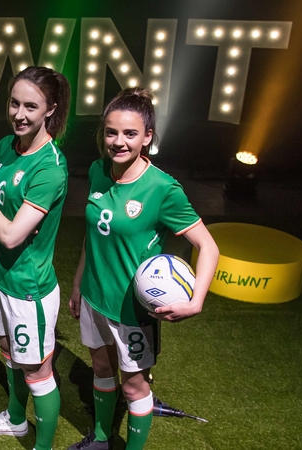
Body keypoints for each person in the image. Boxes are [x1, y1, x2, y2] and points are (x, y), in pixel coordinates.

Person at [67, 88, 220, 450]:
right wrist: (77, 283)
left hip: (133, 311)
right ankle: (102, 438)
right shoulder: (98, 170)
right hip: (94, 297)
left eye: (130, 134)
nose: (118, 142)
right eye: (111, 132)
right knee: (102, 369)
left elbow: (208, 246)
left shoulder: (163, 189)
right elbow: (94, 235)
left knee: (135, 385)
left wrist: (196, 300)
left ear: (148, 137)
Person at [0, 66, 71, 450]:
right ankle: (15, 420)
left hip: (30, 288)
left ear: (50, 110)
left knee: (38, 371)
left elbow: (9, 234)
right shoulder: (4, 146)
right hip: (1, 277)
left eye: (31, 106)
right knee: (10, 354)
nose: (19, 114)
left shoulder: (49, 166)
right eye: (14, 103)